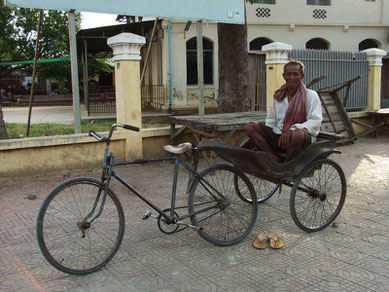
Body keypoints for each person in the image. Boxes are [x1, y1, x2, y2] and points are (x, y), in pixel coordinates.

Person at [245, 60, 322, 162]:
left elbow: (315, 121)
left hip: (301, 137)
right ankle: (273, 158)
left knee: (297, 135)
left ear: (302, 76)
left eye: (296, 74)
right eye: (288, 74)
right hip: (279, 135)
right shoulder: (279, 96)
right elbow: (271, 121)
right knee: (250, 127)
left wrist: (292, 130)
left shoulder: (311, 95)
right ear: (284, 76)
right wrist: (268, 137)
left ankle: (287, 165)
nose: (292, 77)